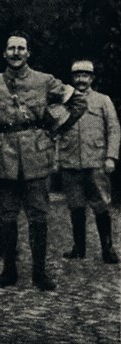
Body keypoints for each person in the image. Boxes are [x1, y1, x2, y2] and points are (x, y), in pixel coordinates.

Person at [0, 31, 87, 291]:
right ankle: (9, 271)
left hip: (37, 156)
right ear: (4, 53)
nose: (16, 52)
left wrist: (57, 127)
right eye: (11, 48)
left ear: (28, 53)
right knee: (6, 216)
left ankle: (39, 273)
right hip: (4, 158)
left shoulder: (45, 81)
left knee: (38, 216)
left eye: (21, 48)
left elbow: (79, 102)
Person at [59, 60, 119, 264]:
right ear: (72, 78)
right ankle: (79, 248)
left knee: (101, 205)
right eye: (77, 76)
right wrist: (56, 158)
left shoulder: (103, 100)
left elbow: (114, 129)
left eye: (85, 76)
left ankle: (107, 248)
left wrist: (111, 156)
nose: (81, 80)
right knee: (75, 206)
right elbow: (56, 132)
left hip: (96, 162)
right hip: (70, 162)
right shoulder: (64, 102)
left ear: (92, 78)